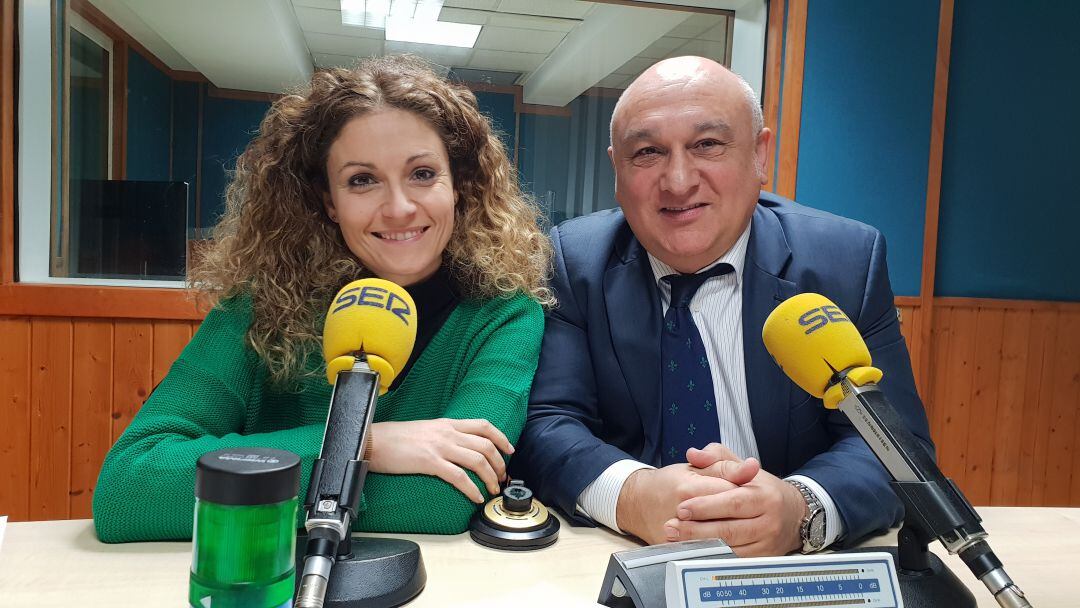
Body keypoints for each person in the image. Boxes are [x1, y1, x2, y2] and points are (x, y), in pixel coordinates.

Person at [93, 55, 552, 543]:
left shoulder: (503, 315)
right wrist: (366, 445)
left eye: (422, 173)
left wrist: (255, 475)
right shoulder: (260, 307)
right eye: (362, 180)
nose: (398, 207)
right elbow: (129, 487)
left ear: (458, 186)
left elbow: (442, 500)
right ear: (329, 201)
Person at [510, 56, 932, 556]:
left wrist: (801, 509)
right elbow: (547, 423)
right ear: (617, 171)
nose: (679, 181)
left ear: (759, 154)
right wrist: (631, 495)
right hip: (628, 557)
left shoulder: (845, 262)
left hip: (790, 573)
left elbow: (894, 446)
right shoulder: (574, 260)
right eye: (647, 152)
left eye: (707, 144)